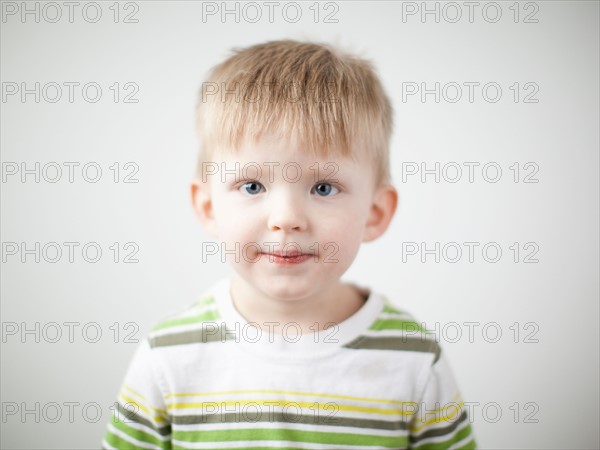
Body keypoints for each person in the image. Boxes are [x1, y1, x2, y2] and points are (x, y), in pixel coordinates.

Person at [102, 39, 476, 449]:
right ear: (209, 207)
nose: (286, 219)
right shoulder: (168, 359)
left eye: (323, 187)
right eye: (252, 185)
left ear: (375, 213)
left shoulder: (413, 359)